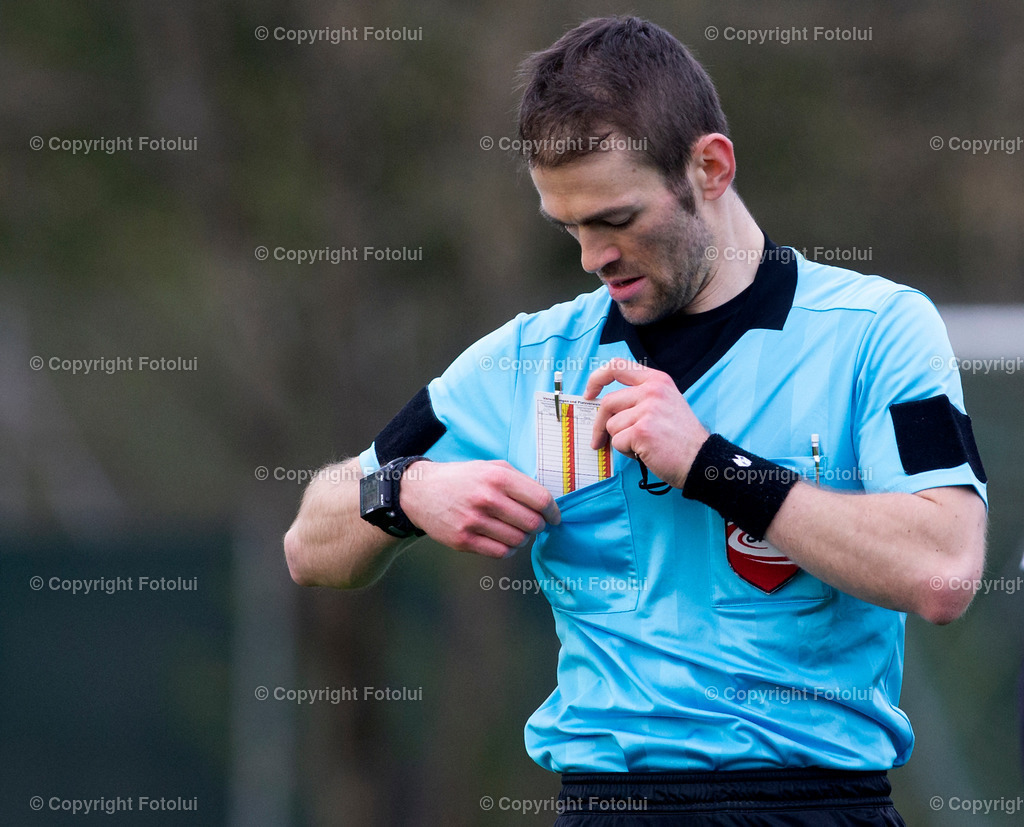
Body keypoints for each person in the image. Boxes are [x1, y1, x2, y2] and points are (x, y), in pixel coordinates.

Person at [284, 16, 988, 825]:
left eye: (616, 220)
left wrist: (712, 466)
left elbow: (944, 571)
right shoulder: (531, 359)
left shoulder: (878, 332)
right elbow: (311, 542)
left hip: (816, 803)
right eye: (570, 228)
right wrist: (403, 491)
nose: (592, 256)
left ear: (710, 167)